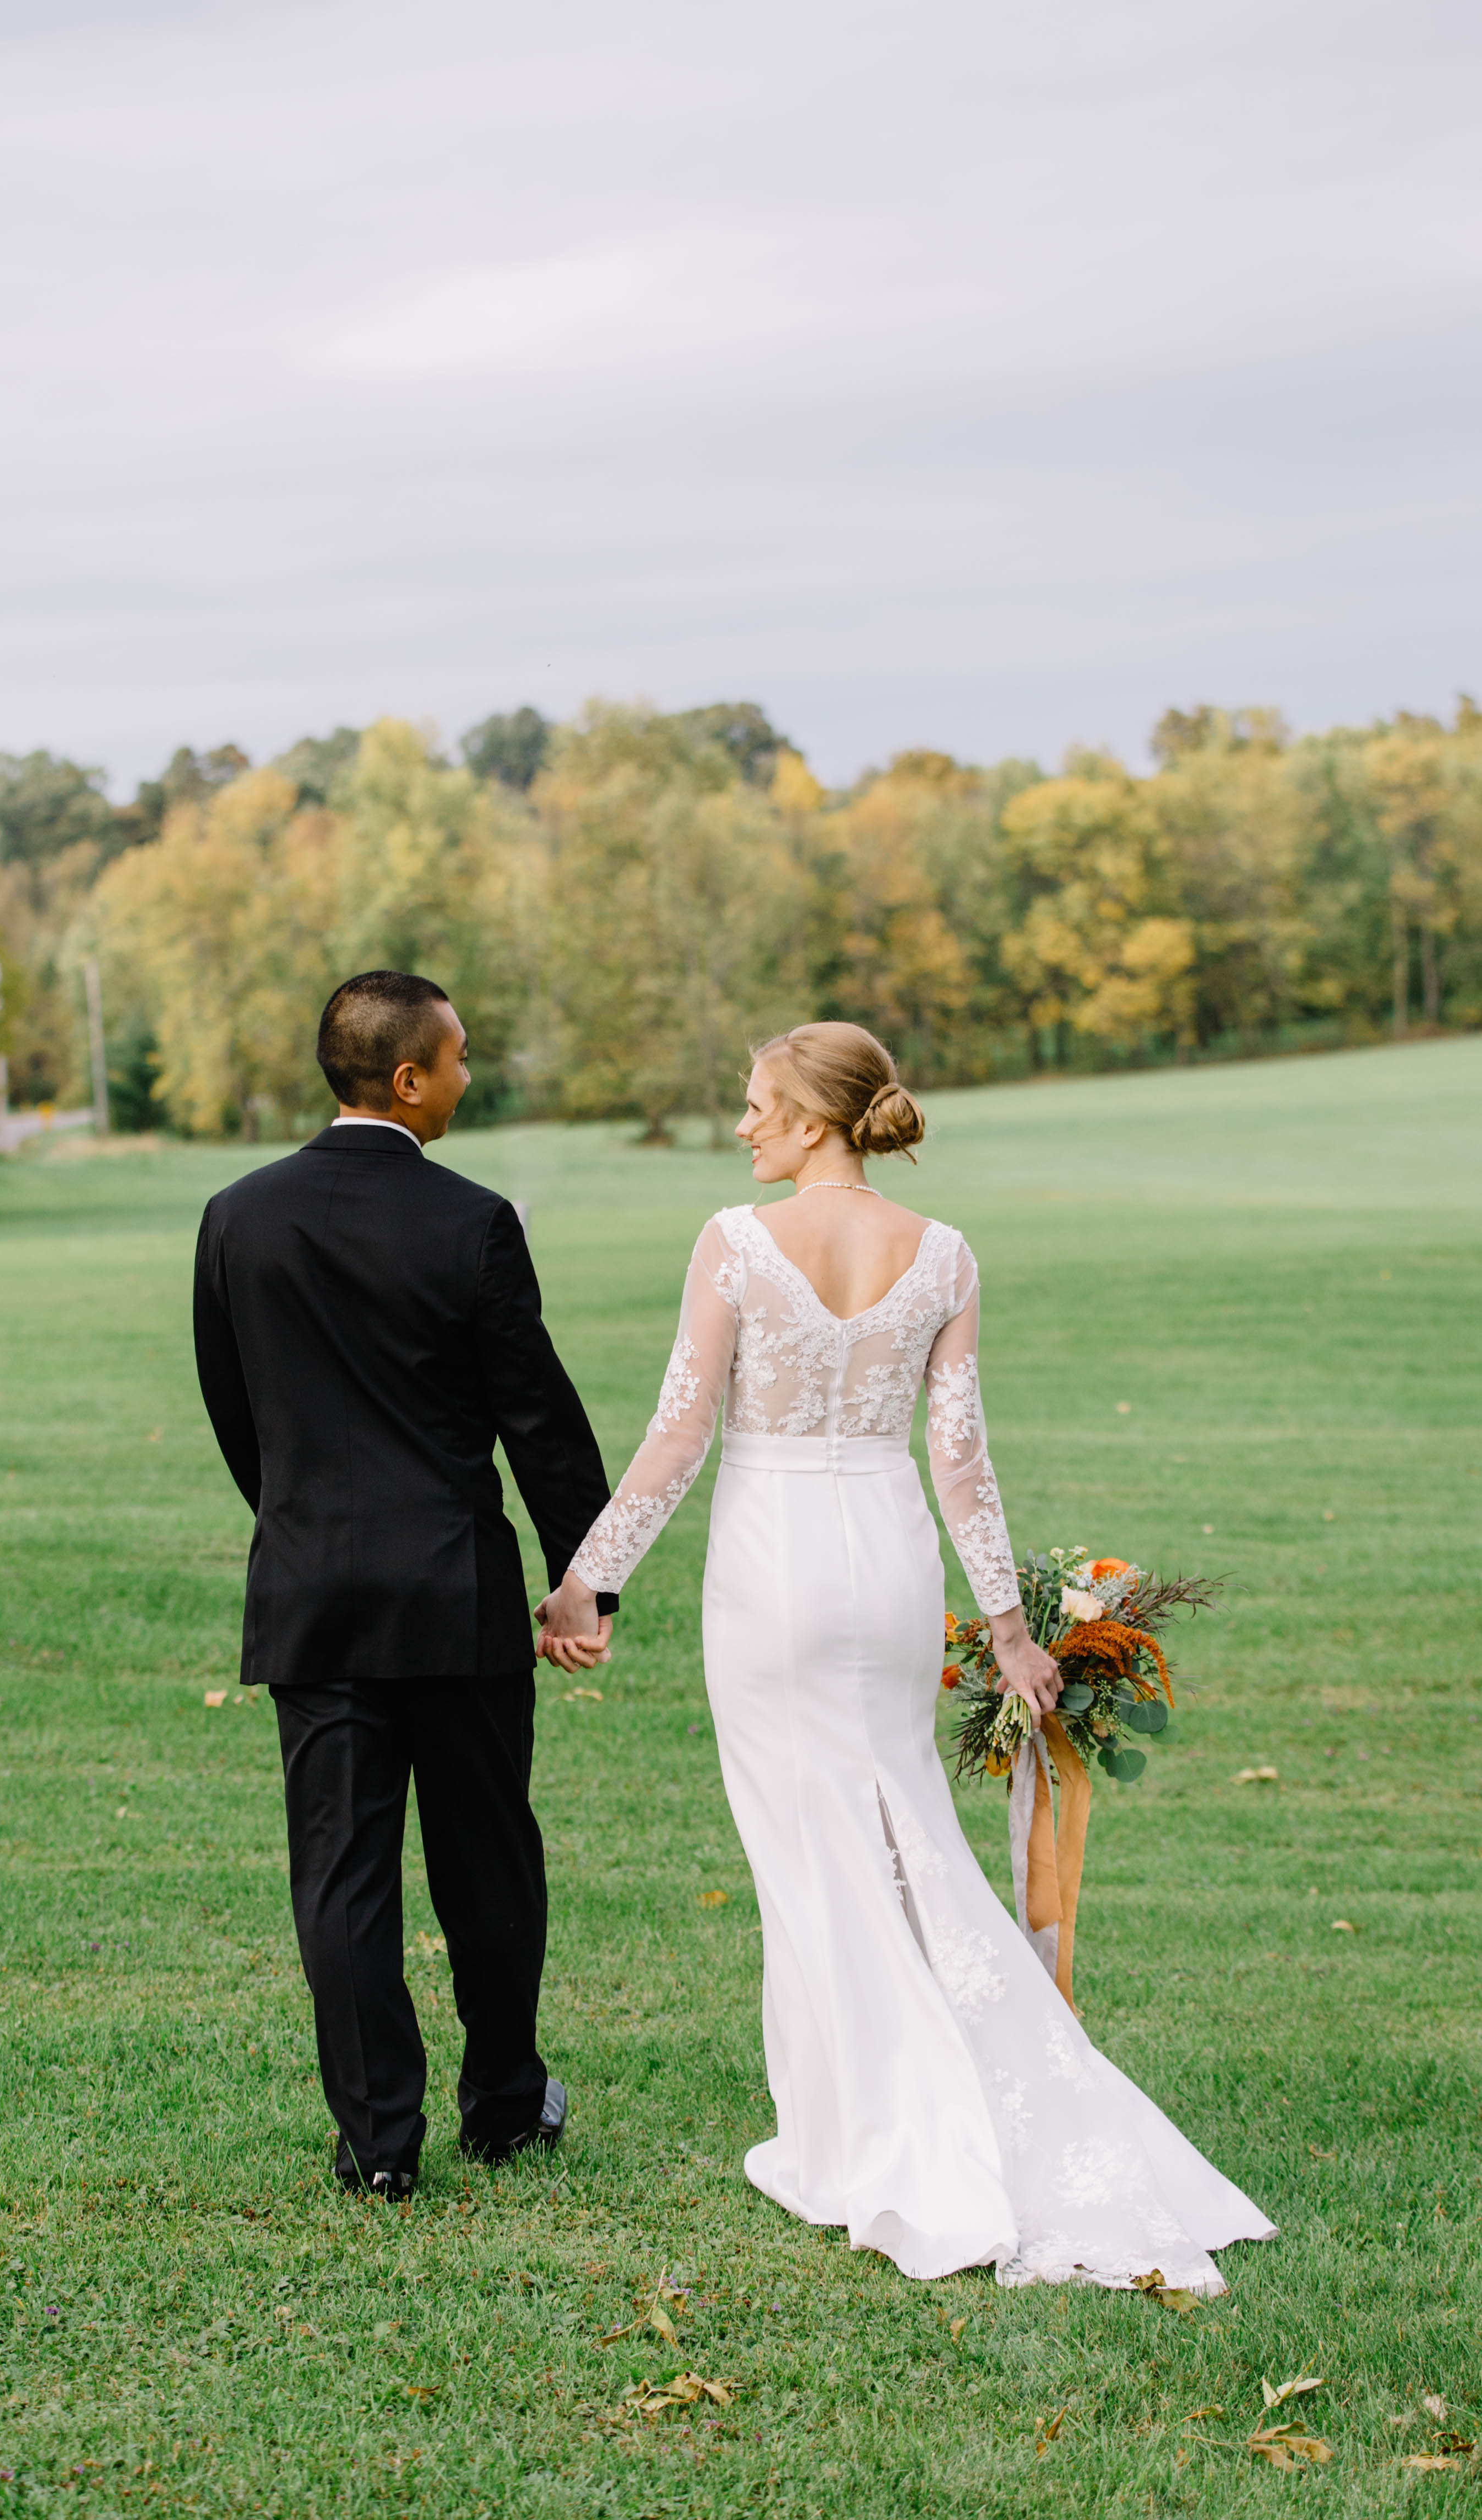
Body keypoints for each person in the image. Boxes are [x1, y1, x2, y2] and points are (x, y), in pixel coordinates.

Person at [537, 1022, 1275, 2290]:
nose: (743, 1126)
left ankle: (873, 2137)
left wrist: (589, 1580)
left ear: (815, 1118)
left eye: (760, 1104)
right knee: (898, 1829)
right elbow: (959, 1460)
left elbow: (676, 1438)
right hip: (885, 1565)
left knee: (807, 1849)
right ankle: (875, 2113)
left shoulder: (733, 1242)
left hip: (769, 1572)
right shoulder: (941, 1255)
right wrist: (1003, 1626)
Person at [193, 970, 618, 2200]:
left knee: (339, 1874)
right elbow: (536, 1417)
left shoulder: (237, 1214)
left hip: (312, 1592)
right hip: (454, 1596)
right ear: (407, 1078)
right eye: (461, 1056)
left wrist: (306, 1526)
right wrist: (582, 1579)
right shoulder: (471, 1221)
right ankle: (498, 2107)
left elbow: (239, 1418)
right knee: (489, 1861)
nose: (470, 1076)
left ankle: (378, 2147)